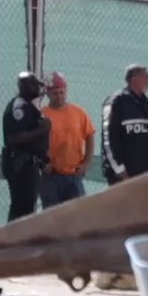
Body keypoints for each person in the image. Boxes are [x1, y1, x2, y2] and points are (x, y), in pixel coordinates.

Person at [101, 64, 148, 186]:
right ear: (134, 78)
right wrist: (120, 171)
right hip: (124, 178)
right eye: (146, 77)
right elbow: (109, 140)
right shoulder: (116, 102)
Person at [39, 71, 95, 208]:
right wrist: (42, 164)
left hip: (74, 175)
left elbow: (90, 135)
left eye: (62, 92)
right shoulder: (42, 115)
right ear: (48, 94)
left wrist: (87, 161)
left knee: (77, 215)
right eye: (55, 93)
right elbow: (35, 143)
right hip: (51, 176)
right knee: (52, 217)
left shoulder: (79, 113)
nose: (59, 96)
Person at [2, 71, 50, 221]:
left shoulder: (28, 106)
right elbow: (13, 138)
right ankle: (13, 242)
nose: (37, 89)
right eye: (34, 85)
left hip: (29, 164)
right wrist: (40, 131)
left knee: (27, 208)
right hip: (20, 164)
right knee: (21, 209)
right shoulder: (19, 107)